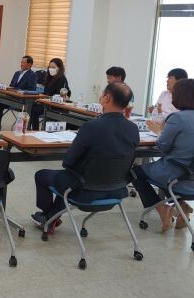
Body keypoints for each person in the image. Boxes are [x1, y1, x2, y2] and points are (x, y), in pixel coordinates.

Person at [31, 83, 139, 228]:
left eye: (102, 94)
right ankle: (51, 217)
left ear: (107, 98)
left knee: (42, 175)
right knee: (69, 178)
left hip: (85, 191)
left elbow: (68, 161)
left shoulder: (91, 126)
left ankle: (48, 216)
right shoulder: (133, 129)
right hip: (116, 190)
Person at [132, 79, 194, 231]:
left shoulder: (178, 118)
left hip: (177, 173)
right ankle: (181, 206)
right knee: (166, 175)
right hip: (189, 176)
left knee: (135, 172)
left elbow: (162, 146)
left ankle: (163, 210)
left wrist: (159, 132)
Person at [0, 55, 37, 128]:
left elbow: (31, 90)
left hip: (21, 101)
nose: (21, 64)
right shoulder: (17, 73)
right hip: (11, 97)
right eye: (21, 62)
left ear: (30, 64)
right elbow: (11, 86)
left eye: (23, 62)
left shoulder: (32, 75)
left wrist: (19, 91)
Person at [28, 58, 70, 130]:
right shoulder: (50, 77)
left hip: (54, 106)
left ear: (59, 68)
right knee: (32, 106)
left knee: (34, 109)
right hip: (47, 103)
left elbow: (59, 95)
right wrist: (39, 97)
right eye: (50, 67)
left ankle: (35, 130)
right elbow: (46, 93)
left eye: (53, 67)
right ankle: (34, 129)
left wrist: (45, 99)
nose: (51, 69)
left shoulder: (62, 79)